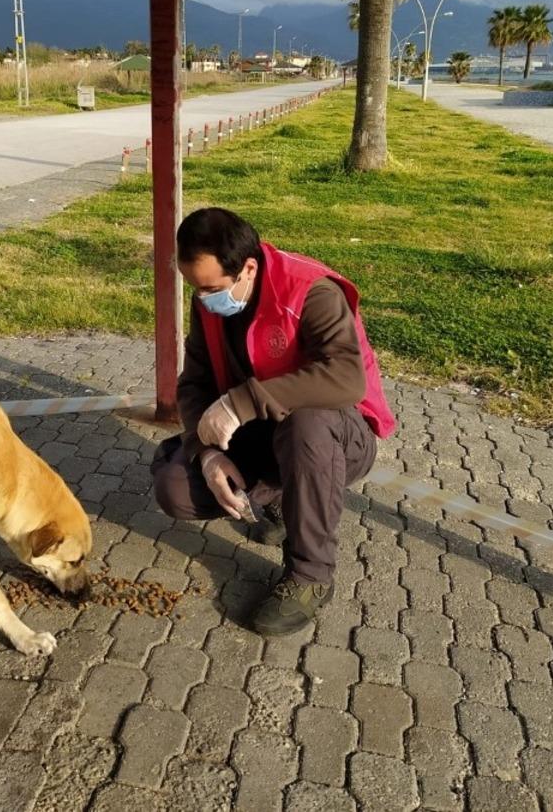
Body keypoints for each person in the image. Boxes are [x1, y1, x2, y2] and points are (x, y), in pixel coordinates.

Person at [152, 207, 396, 635]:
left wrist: (239, 404)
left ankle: (310, 577)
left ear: (248, 268)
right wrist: (207, 455)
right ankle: (286, 499)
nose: (204, 300)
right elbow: (193, 385)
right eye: (195, 288)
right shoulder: (208, 301)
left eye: (211, 289)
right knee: (176, 489)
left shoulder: (310, 291)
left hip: (338, 437)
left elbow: (345, 379)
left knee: (307, 425)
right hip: (268, 436)